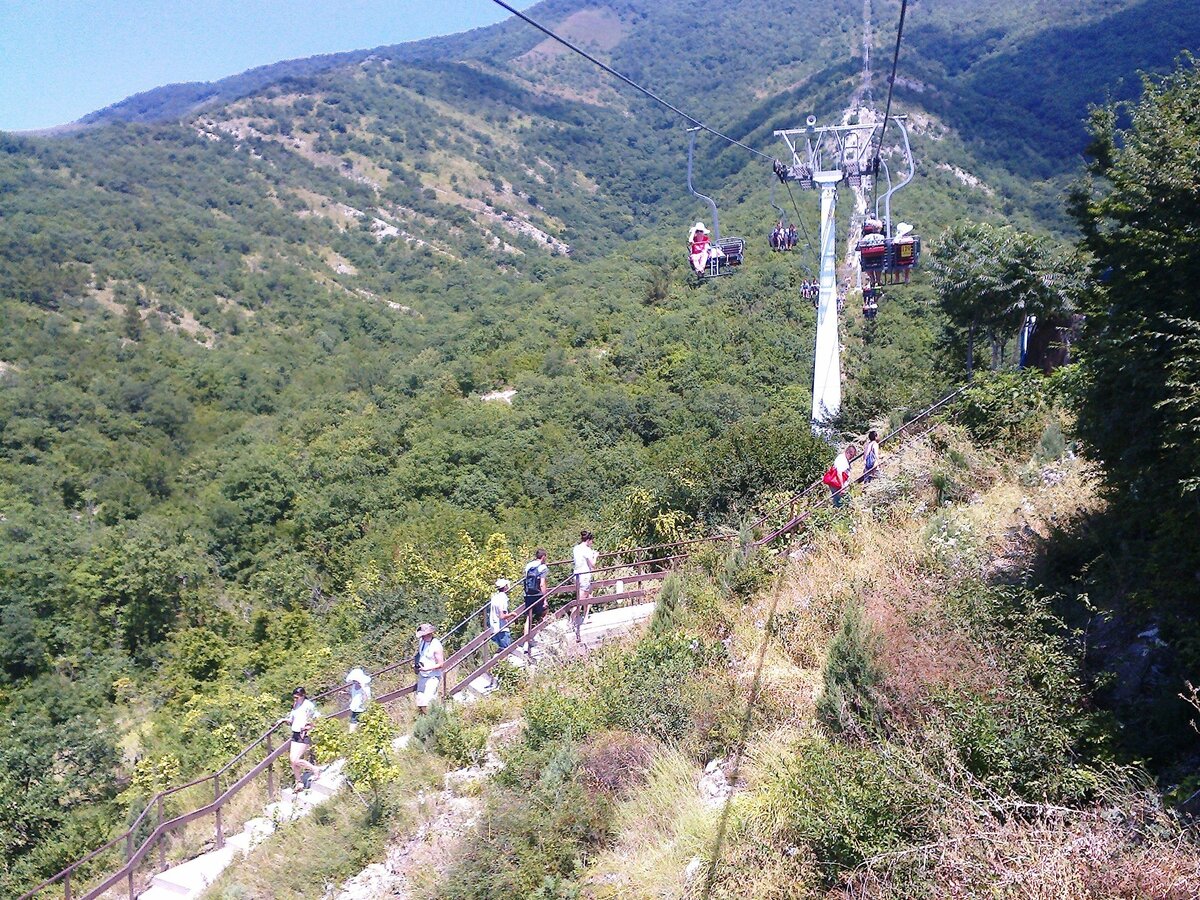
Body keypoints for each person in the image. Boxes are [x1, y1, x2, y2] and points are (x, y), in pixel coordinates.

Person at [286, 687, 322, 790]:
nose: (295, 699)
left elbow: (317, 717)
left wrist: (310, 726)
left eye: (297, 697)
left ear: (302, 696)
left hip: (304, 734)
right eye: (294, 697)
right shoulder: (295, 705)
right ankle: (299, 782)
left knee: (296, 759)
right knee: (292, 760)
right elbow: (292, 718)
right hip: (295, 733)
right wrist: (284, 720)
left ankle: (314, 769)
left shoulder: (308, 705)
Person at [572, 530, 599, 641]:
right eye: (591, 541)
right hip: (585, 576)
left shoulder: (576, 548)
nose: (592, 543)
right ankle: (572, 619)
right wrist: (595, 556)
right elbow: (593, 565)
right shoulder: (587, 550)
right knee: (581, 599)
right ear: (588, 540)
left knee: (588, 595)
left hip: (576, 574)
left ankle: (586, 616)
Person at [413, 623, 444, 715]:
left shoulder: (436, 645)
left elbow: (441, 664)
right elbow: (420, 655)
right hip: (423, 675)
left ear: (429, 634)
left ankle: (433, 719)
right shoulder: (422, 642)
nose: (422, 637)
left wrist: (427, 669)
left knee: (429, 700)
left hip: (433, 676)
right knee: (421, 699)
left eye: (423, 635)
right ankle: (426, 718)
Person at [822, 444, 859, 508]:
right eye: (852, 455)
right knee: (840, 503)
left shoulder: (844, 459)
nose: (852, 457)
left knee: (843, 502)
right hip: (837, 485)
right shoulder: (842, 459)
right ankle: (837, 514)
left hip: (838, 485)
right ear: (847, 452)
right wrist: (842, 487)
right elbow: (839, 473)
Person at [523, 548, 549, 629]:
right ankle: (542, 630)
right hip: (538, 594)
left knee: (528, 617)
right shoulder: (543, 567)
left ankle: (526, 640)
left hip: (528, 593)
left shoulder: (528, 565)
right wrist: (545, 599)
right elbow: (542, 584)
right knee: (545, 610)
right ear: (543, 557)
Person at [488, 578, 514, 651]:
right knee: (506, 651)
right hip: (502, 629)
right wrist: (512, 614)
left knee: (500, 652)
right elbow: (502, 616)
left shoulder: (495, 597)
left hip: (494, 628)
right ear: (505, 586)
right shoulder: (503, 598)